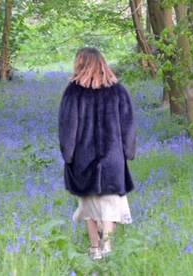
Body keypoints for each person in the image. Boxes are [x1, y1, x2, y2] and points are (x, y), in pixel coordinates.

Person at [58, 47, 136, 260]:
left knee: (88, 203)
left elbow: (68, 126)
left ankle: (95, 250)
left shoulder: (73, 91)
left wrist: (68, 154)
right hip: (113, 160)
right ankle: (107, 248)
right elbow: (128, 125)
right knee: (110, 204)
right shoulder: (118, 90)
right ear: (102, 63)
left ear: (80, 63)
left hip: (84, 159)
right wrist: (129, 152)